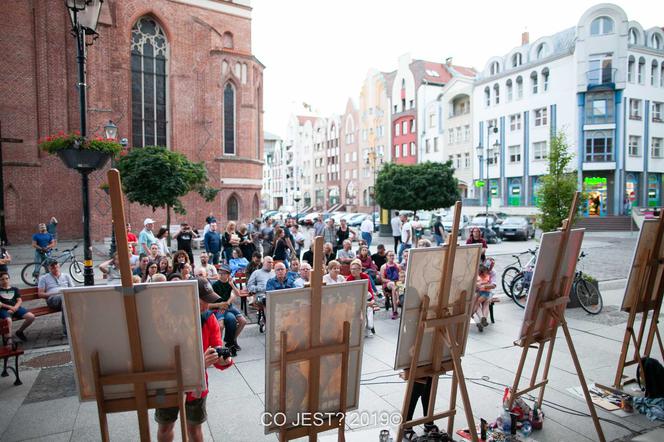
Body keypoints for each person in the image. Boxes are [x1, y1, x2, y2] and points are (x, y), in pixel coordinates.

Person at [155, 277, 233, 442]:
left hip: (197, 386)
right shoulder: (165, 319)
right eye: (203, 300)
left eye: (208, 300)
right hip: (167, 384)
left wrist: (223, 360)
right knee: (164, 426)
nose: (207, 305)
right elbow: (160, 358)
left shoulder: (208, 318)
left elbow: (215, 349)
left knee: (194, 429)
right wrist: (199, 364)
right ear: (188, 296)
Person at [210, 265, 247, 354]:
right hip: (219, 307)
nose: (221, 275)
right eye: (220, 273)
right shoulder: (215, 285)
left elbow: (237, 294)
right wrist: (221, 306)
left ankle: (232, 340)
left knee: (243, 321)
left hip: (229, 306)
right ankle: (218, 346)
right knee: (221, 325)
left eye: (224, 273)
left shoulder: (230, 283)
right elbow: (213, 299)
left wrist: (232, 285)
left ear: (228, 275)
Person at [37, 260, 74, 336]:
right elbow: (40, 294)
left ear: (59, 266)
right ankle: (67, 331)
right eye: (52, 267)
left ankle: (73, 327)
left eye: (56, 266)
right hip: (53, 299)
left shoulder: (66, 276)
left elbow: (73, 289)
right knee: (64, 300)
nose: (55, 268)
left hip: (67, 297)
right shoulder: (44, 278)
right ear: (49, 268)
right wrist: (56, 293)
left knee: (69, 302)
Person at [1, 272, 35, 343]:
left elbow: (19, 300)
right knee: (8, 320)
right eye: (2, 279)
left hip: (16, 308)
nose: (5, 281)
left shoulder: (15, 289)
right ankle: (9, 340)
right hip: (4, 309)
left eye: (6, 278)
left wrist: (15, 308)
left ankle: (19, 331)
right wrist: (10, 307)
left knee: (31, 317)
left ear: (9, 279)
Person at [346, 259, 376, 337]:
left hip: (365, 299)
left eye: (355, 269)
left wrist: (372, 300)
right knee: (366, 306)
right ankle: (364, 328)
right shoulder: (349, 279)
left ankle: (368, 327)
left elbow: (370, 289)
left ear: (360, 270)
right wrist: (366, 303)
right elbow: (350, 296)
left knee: (369, 301)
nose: (353, 271)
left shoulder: (365, 276)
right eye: (351, 269)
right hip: (354, 301)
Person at [247, 256, 274, 333]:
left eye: (272, 262)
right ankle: (268, 324)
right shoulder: (256, 273)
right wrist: (259, 288)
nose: (271, 264)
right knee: (266, 301)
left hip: (273, 295)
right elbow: (249, 286)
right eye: (269, 262)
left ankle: (265, 320)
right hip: (260, 295)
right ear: (263, 263)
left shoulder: (274, 272)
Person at [473, 264, 495, 332]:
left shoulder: (492, 272)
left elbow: (493, 285)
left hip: (487, 292)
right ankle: (482, 319)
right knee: (477, 300)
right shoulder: (478, 271)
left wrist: (482, 286)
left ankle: (482, 319)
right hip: (481, 292)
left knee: (485, 301)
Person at [380, 251, 401, 318]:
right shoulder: (383, 266)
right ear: (387, 257)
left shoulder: (397, 265)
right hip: (388, 283)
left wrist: (398, 282)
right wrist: (390, 281)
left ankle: (395, 308)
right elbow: (382, 279)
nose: (392, 257)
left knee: (395, 286)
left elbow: (401, 276)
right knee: (393, 284)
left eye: (393, 255)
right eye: (390, 255)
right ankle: (395, 310)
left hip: (397, 283)